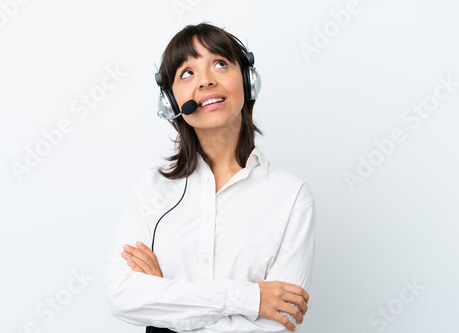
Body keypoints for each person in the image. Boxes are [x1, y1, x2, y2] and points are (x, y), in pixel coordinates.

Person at [105, 23, 316, 333]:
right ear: (171, 102)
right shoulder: (150, 192)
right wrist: (251, 298)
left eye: (220, 63)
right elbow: (122, 296)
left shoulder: (292, 197)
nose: (205, 80)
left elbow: (277, 322)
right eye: (187, 73)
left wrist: (165, 297)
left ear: (247, 80)